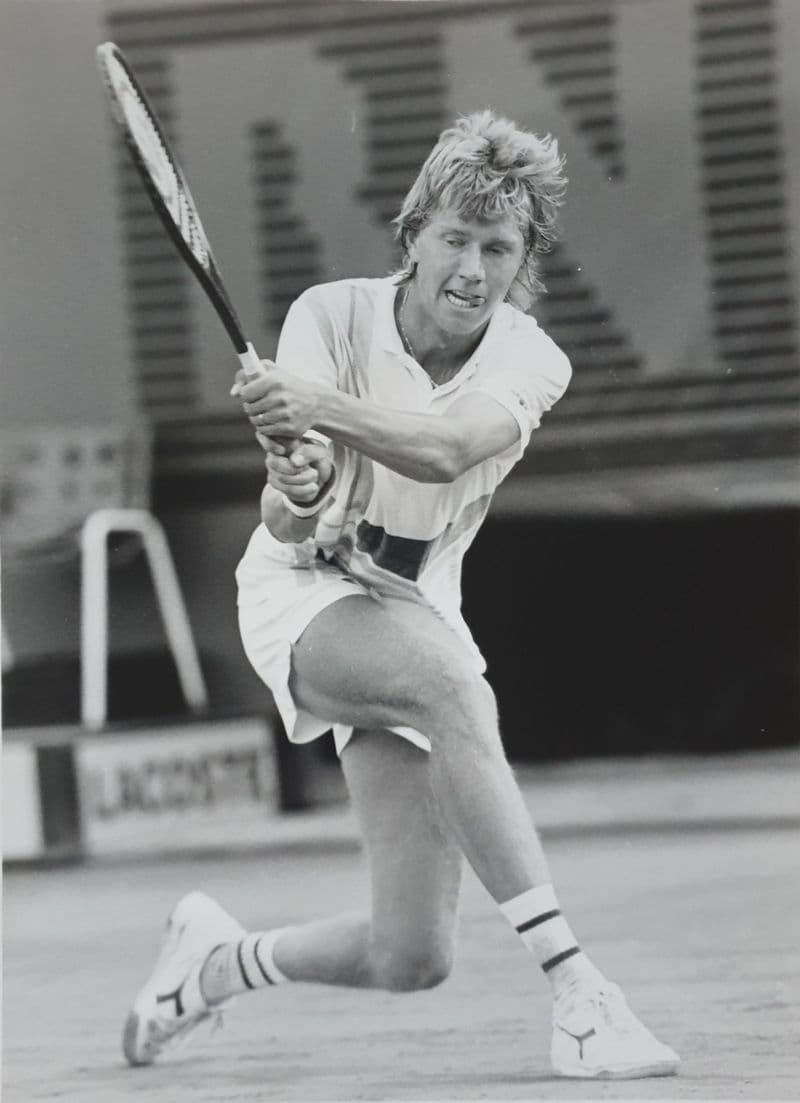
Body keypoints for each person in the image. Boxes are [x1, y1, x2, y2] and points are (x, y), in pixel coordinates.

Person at [122, 110, 679, 1080]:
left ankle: (213, 961)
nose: (470, 266)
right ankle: (580, 993)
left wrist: (316, 410)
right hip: (304, 595)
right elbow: (287, 519)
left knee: (408, 950)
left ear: (522, 260)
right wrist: (296, 487)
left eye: (496, 247)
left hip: (417, 607)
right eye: (452, 238)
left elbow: (445, 446)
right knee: (454, 690)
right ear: (413, 233)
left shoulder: (530, 356)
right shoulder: (327, 316)